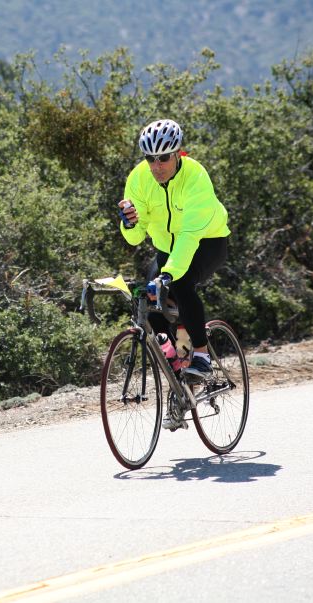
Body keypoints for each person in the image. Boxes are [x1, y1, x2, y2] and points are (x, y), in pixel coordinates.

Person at [117, 118, 230, 417]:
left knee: (179, 284)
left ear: (178, 154)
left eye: (164, 158)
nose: (157, 166)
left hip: (208, 240)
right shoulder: (139, 179)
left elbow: (190, 236)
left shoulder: (196, 176)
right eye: (150, 159)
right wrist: (129, 222)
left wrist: (168, 274)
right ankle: (177, 364)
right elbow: (135, 236)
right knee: (148, 297)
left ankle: (202, 355)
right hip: (168, 247)